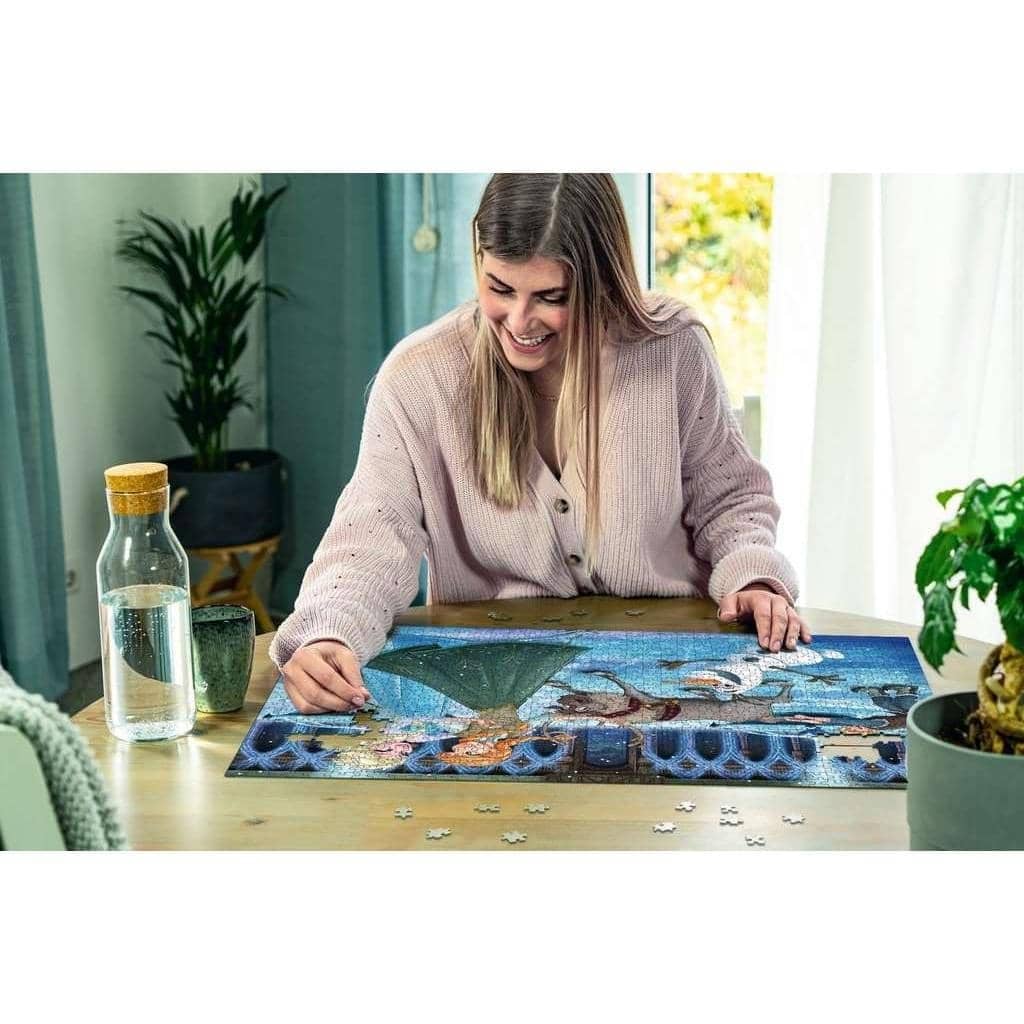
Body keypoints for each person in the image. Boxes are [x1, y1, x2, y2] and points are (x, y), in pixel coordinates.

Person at [270, 173, 811, 716]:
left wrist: (753, 574)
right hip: (491, 686)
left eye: (551, 297)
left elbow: (729, 498)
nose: (519, 322)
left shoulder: (673, 350)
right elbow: (372, 535)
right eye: (499, 288)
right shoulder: (417, 378)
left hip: (678, 669)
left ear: (604, 281)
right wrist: (330, 632)